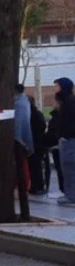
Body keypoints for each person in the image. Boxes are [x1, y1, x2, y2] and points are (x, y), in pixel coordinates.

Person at [11, 85, 33, 219]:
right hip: (21, 140)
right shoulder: (24, 102)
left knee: (20, 166)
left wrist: (18, 138)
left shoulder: (19, 104)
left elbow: (19, 123)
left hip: (18, 142)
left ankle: (22, 187)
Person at [55, 77, 75, 205]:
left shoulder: (69, 103)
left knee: (69, 167)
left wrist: (65, 136)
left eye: (57, 86)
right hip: (67, 139)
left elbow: (68, 122)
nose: (55, 89)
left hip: (69, 140)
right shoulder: (67, 101)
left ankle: (71, 195)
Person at [45, 96, 66, 196]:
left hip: (58, 146)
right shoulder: (57, 116)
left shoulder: (59, 117)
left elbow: (53, 131)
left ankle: (65, 190)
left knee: (62, 170)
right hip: (56, 146)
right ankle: (64, 189)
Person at [29, 94, 48, 196]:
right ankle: (38, 186)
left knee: (33, 166)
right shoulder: (38, 113)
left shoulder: (29, 114)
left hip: (33, 143)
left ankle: (35, 186)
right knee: (37, 166)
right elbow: (43, 126)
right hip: (39, 143)